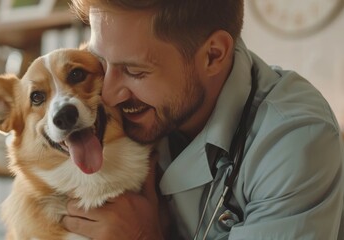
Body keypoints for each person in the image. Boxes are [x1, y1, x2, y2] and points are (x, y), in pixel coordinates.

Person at [61, 0, 344, 239]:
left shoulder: (295, 142)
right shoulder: (115, 113)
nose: (108, 95)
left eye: (135, 71)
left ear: (213, 55)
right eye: (101, 62)